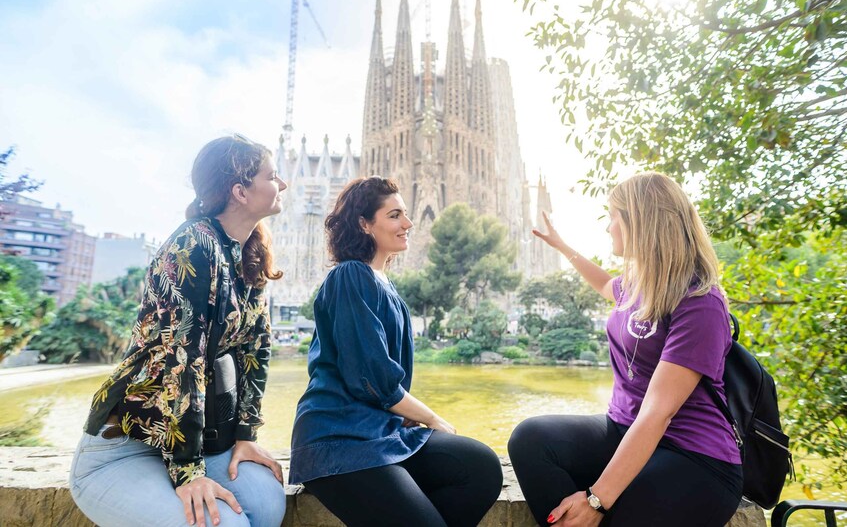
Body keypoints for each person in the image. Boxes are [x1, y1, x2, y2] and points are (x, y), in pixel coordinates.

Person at [70, 135, 288, 527]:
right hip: (127, 445)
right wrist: (188, 472)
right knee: (227, 525)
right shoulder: (193, 244)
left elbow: (257, 351)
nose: (283, 184)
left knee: (269, 503)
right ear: (240, 191)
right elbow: (180, 358)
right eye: (272, 176)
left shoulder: (249, 252)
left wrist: (246, 433)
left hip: (199, 441)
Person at [508, 172, 742, 527]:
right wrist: (562, 247)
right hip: (623, 428)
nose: (608, 227)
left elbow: (658, 412)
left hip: (693, 455)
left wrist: (596, 500)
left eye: (613, 216)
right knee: (531, 439)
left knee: (619, 512)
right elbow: (604, 283)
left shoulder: (699, 301)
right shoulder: (639, 284)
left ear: (642, 221)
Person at [289, 176, 503, 527]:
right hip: (339, 439)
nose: (408, 223)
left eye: (405, 214)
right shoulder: (350, 276)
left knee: (480, 467)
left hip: (381, 431)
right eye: (395, 215)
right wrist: (431, 417)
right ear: (364, 224)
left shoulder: (384, 283)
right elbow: (370, 377)